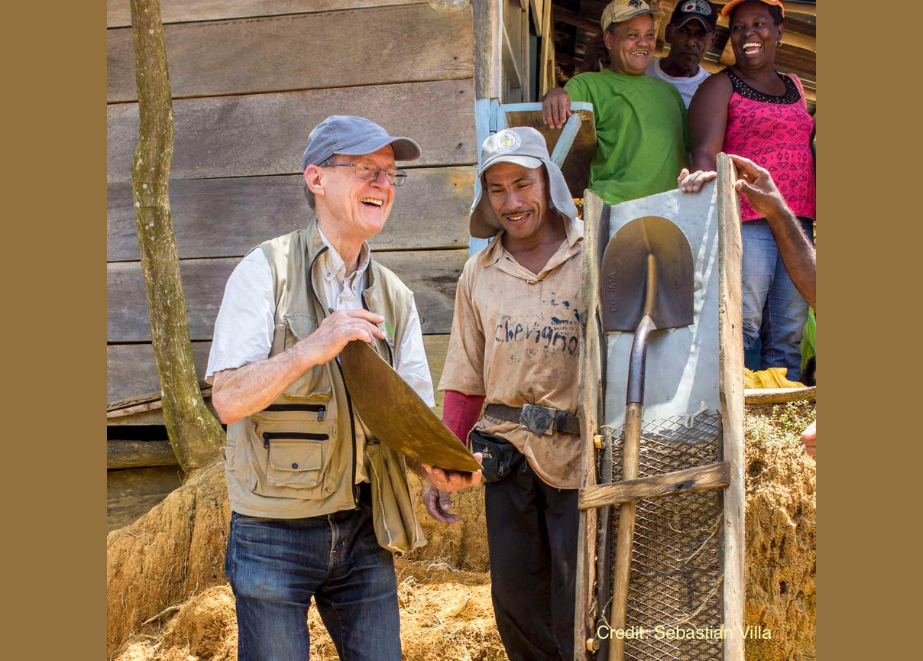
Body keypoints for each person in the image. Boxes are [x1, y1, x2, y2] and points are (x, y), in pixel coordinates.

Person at [206, 115, 480, 661]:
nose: (382, 184)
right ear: (316, 179)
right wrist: (314, 345)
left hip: (363, 524)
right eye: (364, 170)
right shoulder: (265, 272)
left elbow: (410, 416)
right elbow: (228, 399)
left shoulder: (394, 296)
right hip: (272, 530)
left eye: (389, 174)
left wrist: (433, 469)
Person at [431, 127, 584, 661]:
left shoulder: (594, 253)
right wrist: (443, 458)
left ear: (550, 181)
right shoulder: (480, 272)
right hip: (507, 456)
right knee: (515, 602)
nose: (512, 202)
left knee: (580, 599)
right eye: (497, 189)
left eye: (523, 183)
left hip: (581, 457)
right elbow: (465, 377)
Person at [679, 0, 815, 381]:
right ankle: (726, 424)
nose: (748, 33)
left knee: (787, 336)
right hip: (748, 222)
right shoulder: (719, 85)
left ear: (779, 31)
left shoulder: (796, 86)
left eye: (759, 24)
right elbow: (705, 155)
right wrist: (713, 222)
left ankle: (773, 427)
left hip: (796, 224)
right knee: (741, 327)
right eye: (739, 27)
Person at [542, 0, 687, 206]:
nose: (643, 43)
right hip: (614, 208)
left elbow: (689, 152)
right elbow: (558, 107)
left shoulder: (669, 92)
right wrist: (554, 93)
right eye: (632, 35)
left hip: (669, 210)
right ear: (609, 40)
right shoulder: (589, 85)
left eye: (649, 35)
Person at [729, 153, 817, 459]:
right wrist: (777, 208)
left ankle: (781, 446)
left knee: (784, 336)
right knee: (743, 325)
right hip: (753, 213)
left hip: (793, 214)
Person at [645, 0, 718, 108]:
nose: (690, 42)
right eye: (683, 31)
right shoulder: (642, 71)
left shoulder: (712, 92)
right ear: (668, 33)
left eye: (701, 34)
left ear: (712, 41)